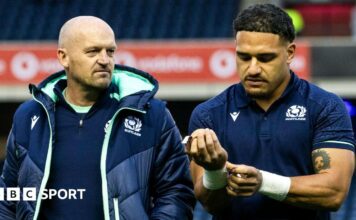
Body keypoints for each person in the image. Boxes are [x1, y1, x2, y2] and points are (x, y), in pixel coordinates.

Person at [0, 16, 195, 220]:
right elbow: (8, 196)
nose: (104, 60)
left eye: (110, 51)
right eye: (92, 51)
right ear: (63, 57)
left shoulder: (152, 114)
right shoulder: (29, 115)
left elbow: (176, 193)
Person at [186, 3, 355, 220]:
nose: (253, 69)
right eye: (244, 57)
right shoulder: (208, 114)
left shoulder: (325, 106)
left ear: (290, 53)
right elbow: (211, 205)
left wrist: (263, 182)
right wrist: (214, 171)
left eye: (265, 58)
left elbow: (335, 192)